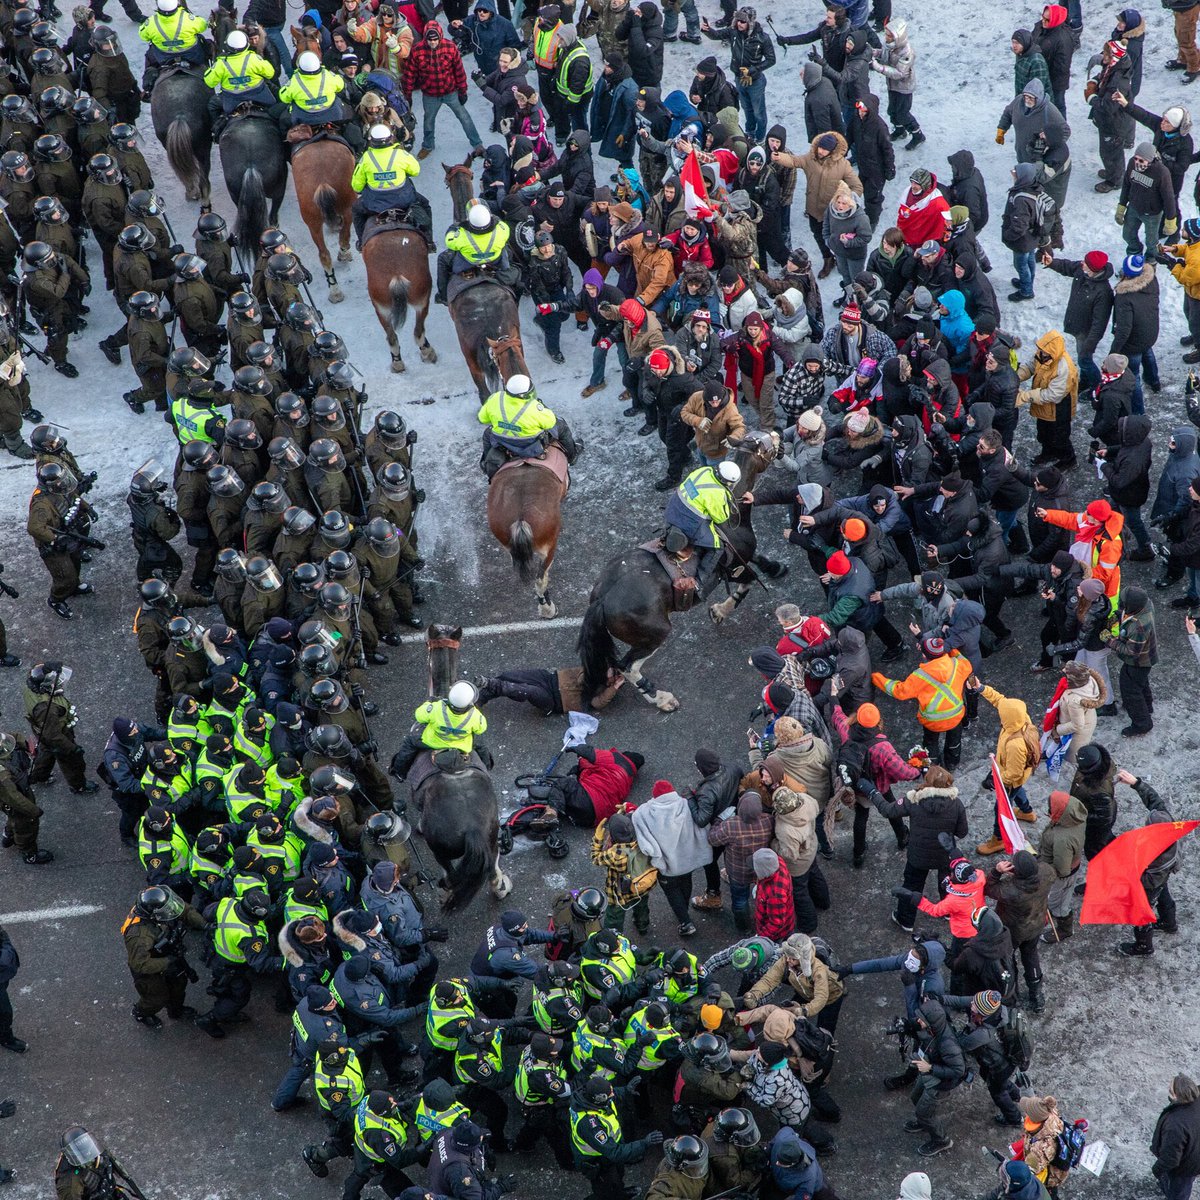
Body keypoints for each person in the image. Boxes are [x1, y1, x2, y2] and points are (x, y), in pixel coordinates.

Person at [632, 779, 713, 936]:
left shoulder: (644, 813)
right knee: (686, 882)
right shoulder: (686, 804)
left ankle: (686, 922)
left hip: (666, 864)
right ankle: (684, 911)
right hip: (687, 860)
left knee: (671, 891)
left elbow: (645, 842)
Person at [121, 885, 207, 1028]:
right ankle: (141, 1012)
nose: (171, 910)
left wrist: (204, 925)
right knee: (156, 998)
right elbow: (140, 964)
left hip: (166, 953)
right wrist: (168, 962)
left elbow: (185, 910)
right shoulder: (138, 935)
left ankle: (175, 1011)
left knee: (179, 984)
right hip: (148, 964)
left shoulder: (159, 901)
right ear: (154, 915)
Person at [401, 21, 483, 160]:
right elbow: (410, 74)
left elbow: (459, 71)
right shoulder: (417, 50)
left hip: (450, 92)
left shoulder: (450, 47)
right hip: (430, 94)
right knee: (428, 121)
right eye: (429, 40)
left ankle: (477, 144)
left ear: (440, 36)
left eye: (435, 39)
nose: (432, 42)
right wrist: (407, 95)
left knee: (464, 117)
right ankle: (427, 145)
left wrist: (462, 91)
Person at [475, 373, 580, 478]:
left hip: (502, 441)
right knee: (561, 426)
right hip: (531, 443)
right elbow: (550, 422)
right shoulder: (534, 407)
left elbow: (482, 418)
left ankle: (485, 463)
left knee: (487, 434)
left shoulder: (495, 398)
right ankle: (572, 456)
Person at [662, 460, 741, 597]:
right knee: (717, 547)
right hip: (689, 522)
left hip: (673, 508)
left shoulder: (704, 471)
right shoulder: (718, 493)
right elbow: (720, 518)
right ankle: (698, 581)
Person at [389, 680, 490, 779]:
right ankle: (487, 767)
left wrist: (428, 702)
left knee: (409, 743)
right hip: (462, 746)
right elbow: (481, 729)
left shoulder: (436, 708)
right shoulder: (476, 715)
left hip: (432, 742)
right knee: (482, 747)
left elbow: (419, 716)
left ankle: (399, 772)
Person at [349, 124, 429, 249]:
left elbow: (356, 186)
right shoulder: (401, 154)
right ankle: (429, 241)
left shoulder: (366, 158)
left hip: (374, 204)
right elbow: (415, 171)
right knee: (425, 204)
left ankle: (361, 243)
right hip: (404, 200)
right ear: (390, 138)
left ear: (371, 140)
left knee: (356, 210)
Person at [435, 201, 516, 305]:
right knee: (508, 253)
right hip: (495, 261)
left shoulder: (462, 235)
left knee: (442, 259)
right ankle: (515, 286)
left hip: (467, 263)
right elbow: (502, 226)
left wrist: (453, 228)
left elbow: (449, 242)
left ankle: (443, 296)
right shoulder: (501, 230)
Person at [1038, 789, 1088, 945]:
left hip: (1062, 876)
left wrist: (1042, 870)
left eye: (1051, 808)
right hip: (1072, 864)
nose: (1048, 810)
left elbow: (1062, 869)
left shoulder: (1062, 839)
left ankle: (1064, 929)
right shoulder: (1073, 817)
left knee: (1058, 904)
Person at [138, 0, 209, 95]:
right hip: (192, 55)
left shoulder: (151, 22)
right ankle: (209, 71)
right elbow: (203, 25)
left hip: (163, 58)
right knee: (207, 45)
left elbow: (143, 36)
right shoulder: (188, 19)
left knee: (149, 56)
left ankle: (148, 86)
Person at [1150, 1073, 1200, 1200]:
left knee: (1178, 1193)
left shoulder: (1175, 1125)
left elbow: (1170, 1159)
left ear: (1176, 1097)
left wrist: (1156, 1170)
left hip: (1185, 1169)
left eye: (1170, 1090)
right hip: (1195, 1156)